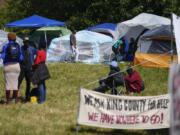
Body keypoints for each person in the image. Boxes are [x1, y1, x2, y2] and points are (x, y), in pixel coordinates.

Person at [1, 32, 23, 104]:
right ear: (15, 38)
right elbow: (21, 58)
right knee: (15, 83)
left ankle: (7, 102)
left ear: (8, 38)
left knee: (8, 84)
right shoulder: (18, 46)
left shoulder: (6, 46)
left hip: (8, 66)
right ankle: (16, 101)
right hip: (16, 66)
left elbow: (3, 57)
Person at [18, 36, 37, 101]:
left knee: (28, 83)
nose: (26, 43)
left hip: (29, 68)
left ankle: (27, 96)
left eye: (27, 42)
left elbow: (37, 53)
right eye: (25, 42)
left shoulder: (32, 48)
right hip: (22, 68)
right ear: (23, 42)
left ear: (29, 42)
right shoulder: (20, 49)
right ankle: (15, 96)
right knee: (19, 82)